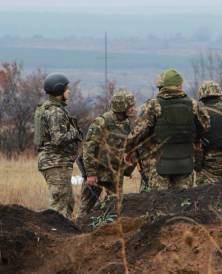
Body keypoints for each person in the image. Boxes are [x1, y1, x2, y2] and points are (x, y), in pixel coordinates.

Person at [125, 68, 210, 190]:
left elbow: (138, 133)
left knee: (159, 203)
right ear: (180, 85)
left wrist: (128, 150)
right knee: (184, 203)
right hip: (185, 162)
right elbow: (205, 126)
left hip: (159, 164)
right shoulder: (193, 104)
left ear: (164, 85)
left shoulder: (154, 105)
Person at [76, 90, 136, 220]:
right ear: (122, 106)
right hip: (97, 173)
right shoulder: (102, 121)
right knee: (86, 208)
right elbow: (89, 148)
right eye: (130, 106)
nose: (133, 109)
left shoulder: (126, 124)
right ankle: (78, 232)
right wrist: (90, 174)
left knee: (114, 208)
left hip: (114, 173)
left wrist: (127, 168)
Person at [34, 73, 82, 218]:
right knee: (59, 206)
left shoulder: (52, 108)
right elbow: (58, 139)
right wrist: (75, 131)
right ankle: (54, 236)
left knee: (67, 203)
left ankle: (64, 236)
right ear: (59, 90)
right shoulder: (55, 112)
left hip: (57, 162)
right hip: (55, 162)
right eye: (67, 89)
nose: (69, 91)